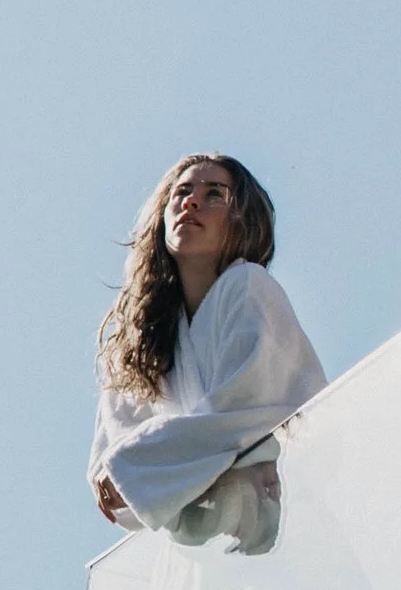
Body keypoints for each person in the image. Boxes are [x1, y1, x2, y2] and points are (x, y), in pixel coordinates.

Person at [88, 155, 325, 556]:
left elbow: (246, 410)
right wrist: (128, 471)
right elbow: (113, 462)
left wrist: (140, 468)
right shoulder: (147, 344)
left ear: (241, 220)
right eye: (182, 192)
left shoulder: (249, 287)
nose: (191, 202)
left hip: (295, 524)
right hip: (208, 552)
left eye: (213, 194)